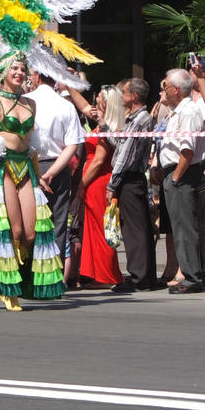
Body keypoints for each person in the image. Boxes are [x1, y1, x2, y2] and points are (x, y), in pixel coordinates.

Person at [0, 52, 65, 311]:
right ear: (3, 71)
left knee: (30, 233)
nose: (19, 72)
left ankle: (22, 282)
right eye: (14, 68)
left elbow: (33, 145)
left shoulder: (30, 103)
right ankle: (7, 288)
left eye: (23, 69)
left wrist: (39, 176)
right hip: (2, 168)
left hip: (25, 166)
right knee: (12, 231)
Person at [158, 68, 205, 294]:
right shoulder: (180, 110)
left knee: (184, 228)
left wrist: (175, 177)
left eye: (165, 85)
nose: (163, 88)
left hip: (183, 174)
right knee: (189, 226)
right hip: (181, 173)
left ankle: (192, 277)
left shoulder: (187, 112)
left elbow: (187, 149)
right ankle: (199, 273)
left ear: (175, 89)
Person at [105, 78, 157, 292]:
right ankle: (146, 276)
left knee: (135, 230)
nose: (121, 97)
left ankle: (138, 278)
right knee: (138, 227)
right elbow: (120, 144)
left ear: (133, 96)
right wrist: (104, 127)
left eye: (124, 93)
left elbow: (124, 156)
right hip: (132, 177)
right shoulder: (134, 118)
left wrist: (112, 183)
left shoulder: (140, 119)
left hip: (130, 177)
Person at [27, 67, 84, 261]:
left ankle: (32, 275)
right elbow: (72, 145)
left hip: (31, 166)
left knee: (31, 221)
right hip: (57, 166)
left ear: (37, 76)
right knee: (57, 223)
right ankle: (54, 278)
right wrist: (53, 171)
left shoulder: (26, 101)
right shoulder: (65, 105)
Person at [75, 85, 123, 288]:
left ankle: (106, 275)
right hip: (96, 179)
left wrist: (81, 185)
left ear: (106, 102)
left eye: (99, 99)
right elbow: (84, 106)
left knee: (102, 229)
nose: (95, 101)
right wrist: (68, 85)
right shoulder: (105, 121)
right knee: (94, 229)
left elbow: (99, 160)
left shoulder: (107, 125)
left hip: (98, 180)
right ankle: (97, 274)